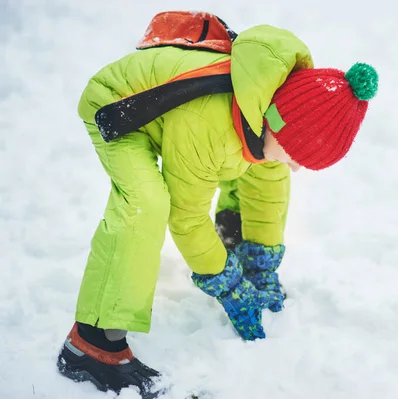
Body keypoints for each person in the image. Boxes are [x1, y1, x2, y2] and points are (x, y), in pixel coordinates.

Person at [56, 11, 378, 398]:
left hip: (184, 120)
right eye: (296, 155)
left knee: (263, 169)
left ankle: (234, 243)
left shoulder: (269, 109)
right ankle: (92, 344)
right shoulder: (208, 125)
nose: (295, 167)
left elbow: (268, 187)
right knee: (148, 203)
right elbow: (186, 217)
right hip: (119, 107)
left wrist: (261, 265)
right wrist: (226, 283)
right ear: (276, 124)